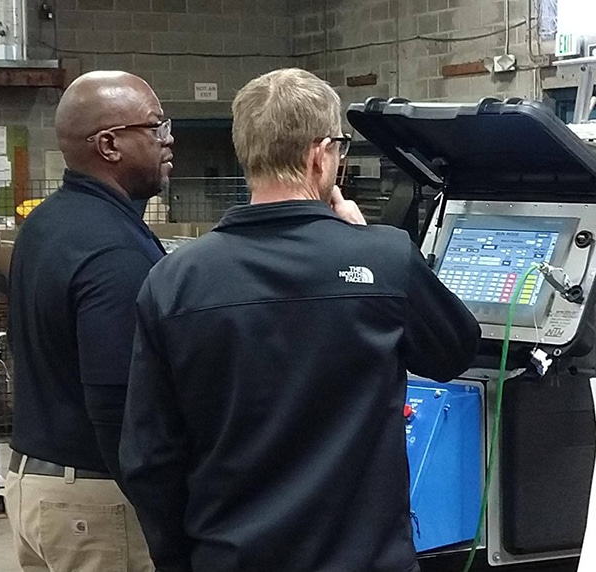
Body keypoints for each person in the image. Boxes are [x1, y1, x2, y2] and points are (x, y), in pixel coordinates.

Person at [119, 68, 479, 572]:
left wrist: (185, 559)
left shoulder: (173, 280)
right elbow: (454, 351)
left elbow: (149, 459)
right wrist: (361, 238)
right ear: (320, 154)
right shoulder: (386, 260)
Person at [5, 70, 173, 572]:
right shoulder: (112, 251)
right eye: (155, 126)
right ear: (109, 144)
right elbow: (117, 402)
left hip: (35, 483)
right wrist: (167, 509)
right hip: (95, 504)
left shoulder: (47, 223)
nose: (169, 139)